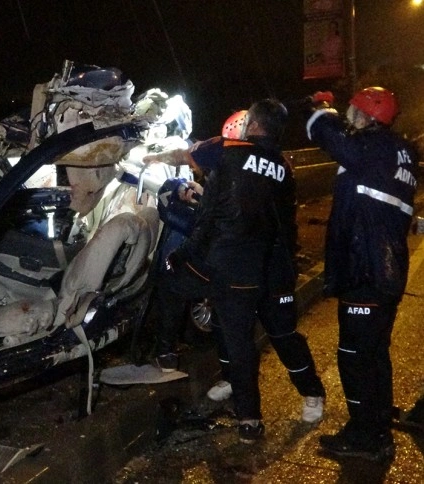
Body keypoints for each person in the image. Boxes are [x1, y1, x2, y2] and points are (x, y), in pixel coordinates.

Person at [145, 99, 326, 443]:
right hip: (263, 263)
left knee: (272, 335)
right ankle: (242, 398)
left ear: (252, 125)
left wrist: (152, 159)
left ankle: (308, 393)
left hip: (248, 266)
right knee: (235, 329)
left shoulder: (228, 151)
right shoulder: (283, 167)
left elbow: (196, 180)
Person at [306, 87, 418, 461]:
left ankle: (366, 435)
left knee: (354, 356)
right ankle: (378, 422)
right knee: (375, 354)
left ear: (367, 114)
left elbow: (330, 136)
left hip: (366, 266)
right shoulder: (399, 150)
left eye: (354, 108)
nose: (349, 114)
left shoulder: (372, 147)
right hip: (386, 268)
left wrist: (323, 109)